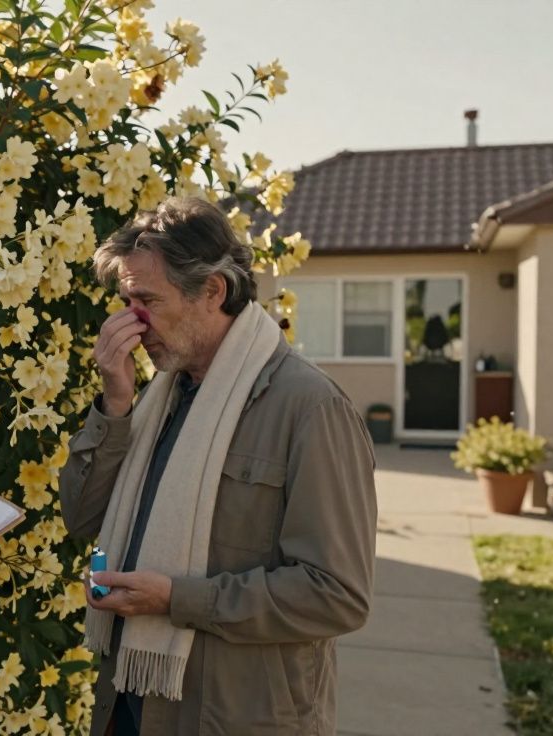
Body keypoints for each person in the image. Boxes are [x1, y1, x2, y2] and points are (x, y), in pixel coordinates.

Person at [58, 197, 377, 735]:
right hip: (131, 705)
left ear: (213, 291)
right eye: (126, 301)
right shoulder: (163, 396)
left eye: (147, 301)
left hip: (237, 717)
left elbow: (336, 596)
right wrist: (114, 405)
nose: (131, 322)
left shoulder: (310, 407)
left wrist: (178, 599)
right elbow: (82, 518)